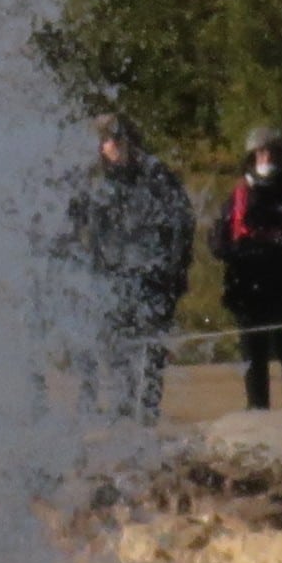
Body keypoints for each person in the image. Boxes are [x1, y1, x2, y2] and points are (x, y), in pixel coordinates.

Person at [60, 111, 197, 424]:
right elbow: (72, 226)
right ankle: (123, 421)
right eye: (107, 140)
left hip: (152, 278)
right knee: (117, 356)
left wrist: (175, 272)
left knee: (149, 356)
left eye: (118, 139)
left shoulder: (156, 176)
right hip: (108, 279)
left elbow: (182, 223)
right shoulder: (93, 180)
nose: (113, 146)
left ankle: (145, 418)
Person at [206, 126, 282, 411]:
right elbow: (216, 243)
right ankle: (256, 416)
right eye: (260, 152)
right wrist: (245, 252)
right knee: (253, 360)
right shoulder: (236, 199)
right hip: (247, 291)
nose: (266, 157)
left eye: (273, 152)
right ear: (250, 158)